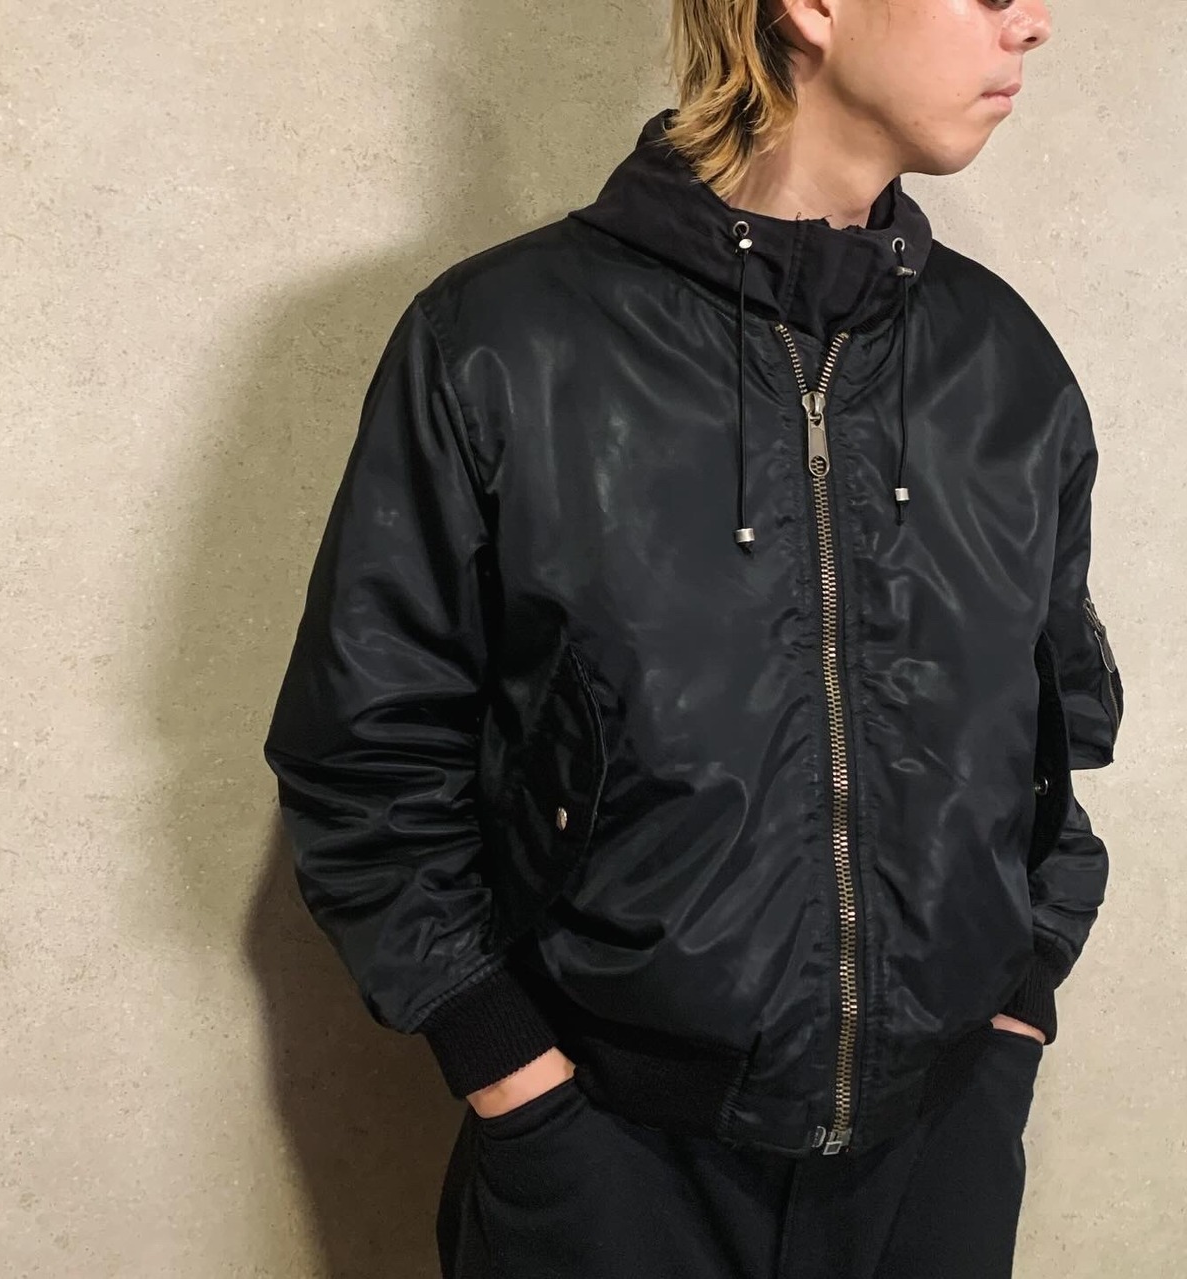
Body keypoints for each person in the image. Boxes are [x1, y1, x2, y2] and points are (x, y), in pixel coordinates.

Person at [263, 0, 1125, 1274]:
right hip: (609, 1160)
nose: (1032, 25)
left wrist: (1018, 1009)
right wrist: (510, 1073)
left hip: (933, 1160)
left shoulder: (1003, 364)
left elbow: (1054, 730)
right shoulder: (502, 342)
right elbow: (364, 753)